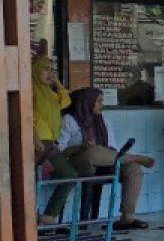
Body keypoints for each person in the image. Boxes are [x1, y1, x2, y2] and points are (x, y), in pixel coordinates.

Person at [57, 88, 156, 230]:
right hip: (78, 164)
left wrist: (105, 153)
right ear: (86, 102)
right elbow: (60, 151)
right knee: (93, 151)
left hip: (103, 163)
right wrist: (81, 147)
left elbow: (112, 148)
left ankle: (127, 217)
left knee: (133, 168)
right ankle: (134, 157)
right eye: (98, 101)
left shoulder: (104, 120)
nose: (101, 105)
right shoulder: (69, 120)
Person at [32, 55, 76, 225]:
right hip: (39, 141)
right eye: (45, 69)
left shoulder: (49, 92)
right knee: (69, 175)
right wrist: (35, 139)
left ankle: (46, 216)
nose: (49, 73)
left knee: (68, 176)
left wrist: (56, 81)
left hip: (50, 141)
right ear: (35, 70)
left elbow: (66, 101)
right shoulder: (30, 89)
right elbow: (26, 118)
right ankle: (48, 216)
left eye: (52, 70)